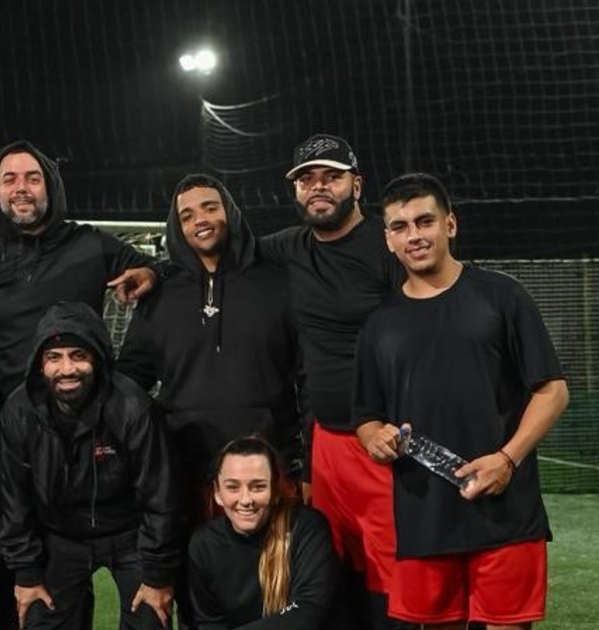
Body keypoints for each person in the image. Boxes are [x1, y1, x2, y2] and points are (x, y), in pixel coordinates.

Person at [354, 173, 568, 629]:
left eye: (425, 221)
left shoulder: (502, 295)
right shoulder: (378, 325)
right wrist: (375, 439)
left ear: (450, 224)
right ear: (388, 240)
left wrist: (507, 460)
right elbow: (366, 416)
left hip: (506, 513)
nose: (414, 235)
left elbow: (553, 391)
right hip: (425, 519)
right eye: (400, 227)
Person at [117, 173, 301, 627]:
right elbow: (131, 378)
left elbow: (306, 377)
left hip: (266, 473)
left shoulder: (278, 282)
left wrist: (304, 462)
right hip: (186, 473)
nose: (200, 219)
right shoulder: (157, 294)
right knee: (196, 602)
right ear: (176, 227)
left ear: (231, 213)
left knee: (272, 595)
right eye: (187, 215)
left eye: (210, 207)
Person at [257, 134, 406, 628]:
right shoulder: (289, 247)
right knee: (335, 573)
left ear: (357, 185)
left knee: (395, 583)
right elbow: (219, 251)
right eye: (306, 179)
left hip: (387, 440)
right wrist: (149, 271)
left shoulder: (389, 244)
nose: (318, 187)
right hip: (327, 442)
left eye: (331, 177)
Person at [0, 301, 177, 630]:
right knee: (39, 619)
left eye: (78, 355)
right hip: (59, 536)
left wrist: (156, 574)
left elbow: (160, 495)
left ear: (97, 358)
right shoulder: (20, 411)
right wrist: (27, 572)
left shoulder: (132, 405)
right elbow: (14, 500)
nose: (67, 369)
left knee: (152, 620)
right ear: (39, 364)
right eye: (54, 357)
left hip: (131, 534)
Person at [0, 140, 157, 409]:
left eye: (33, 179)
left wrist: (149, 273)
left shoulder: (89, 245)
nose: (21, 188)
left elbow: (158, 270)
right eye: (9, 180)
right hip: (0, 418)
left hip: (83, 416)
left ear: (51, 187)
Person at [188, 437, 337, 629]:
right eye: (233, 487)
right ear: (217, 493)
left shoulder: (307, 527)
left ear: (275, 490)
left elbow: (309, 610)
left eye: (258, 487)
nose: (245, 500)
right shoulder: (203, 544)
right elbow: (209, 622)